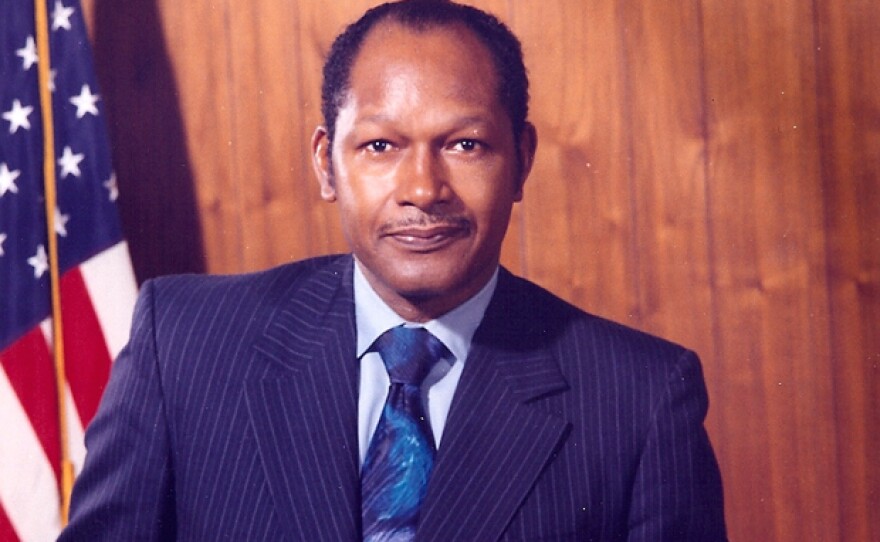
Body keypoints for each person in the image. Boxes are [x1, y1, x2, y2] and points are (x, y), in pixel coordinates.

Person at [60, 1, 727, 540]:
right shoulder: (182, 345)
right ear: (327, 163)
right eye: (381, 146)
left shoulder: (639, 399)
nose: (422, 187)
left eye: (465, 144)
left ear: (521, 160)